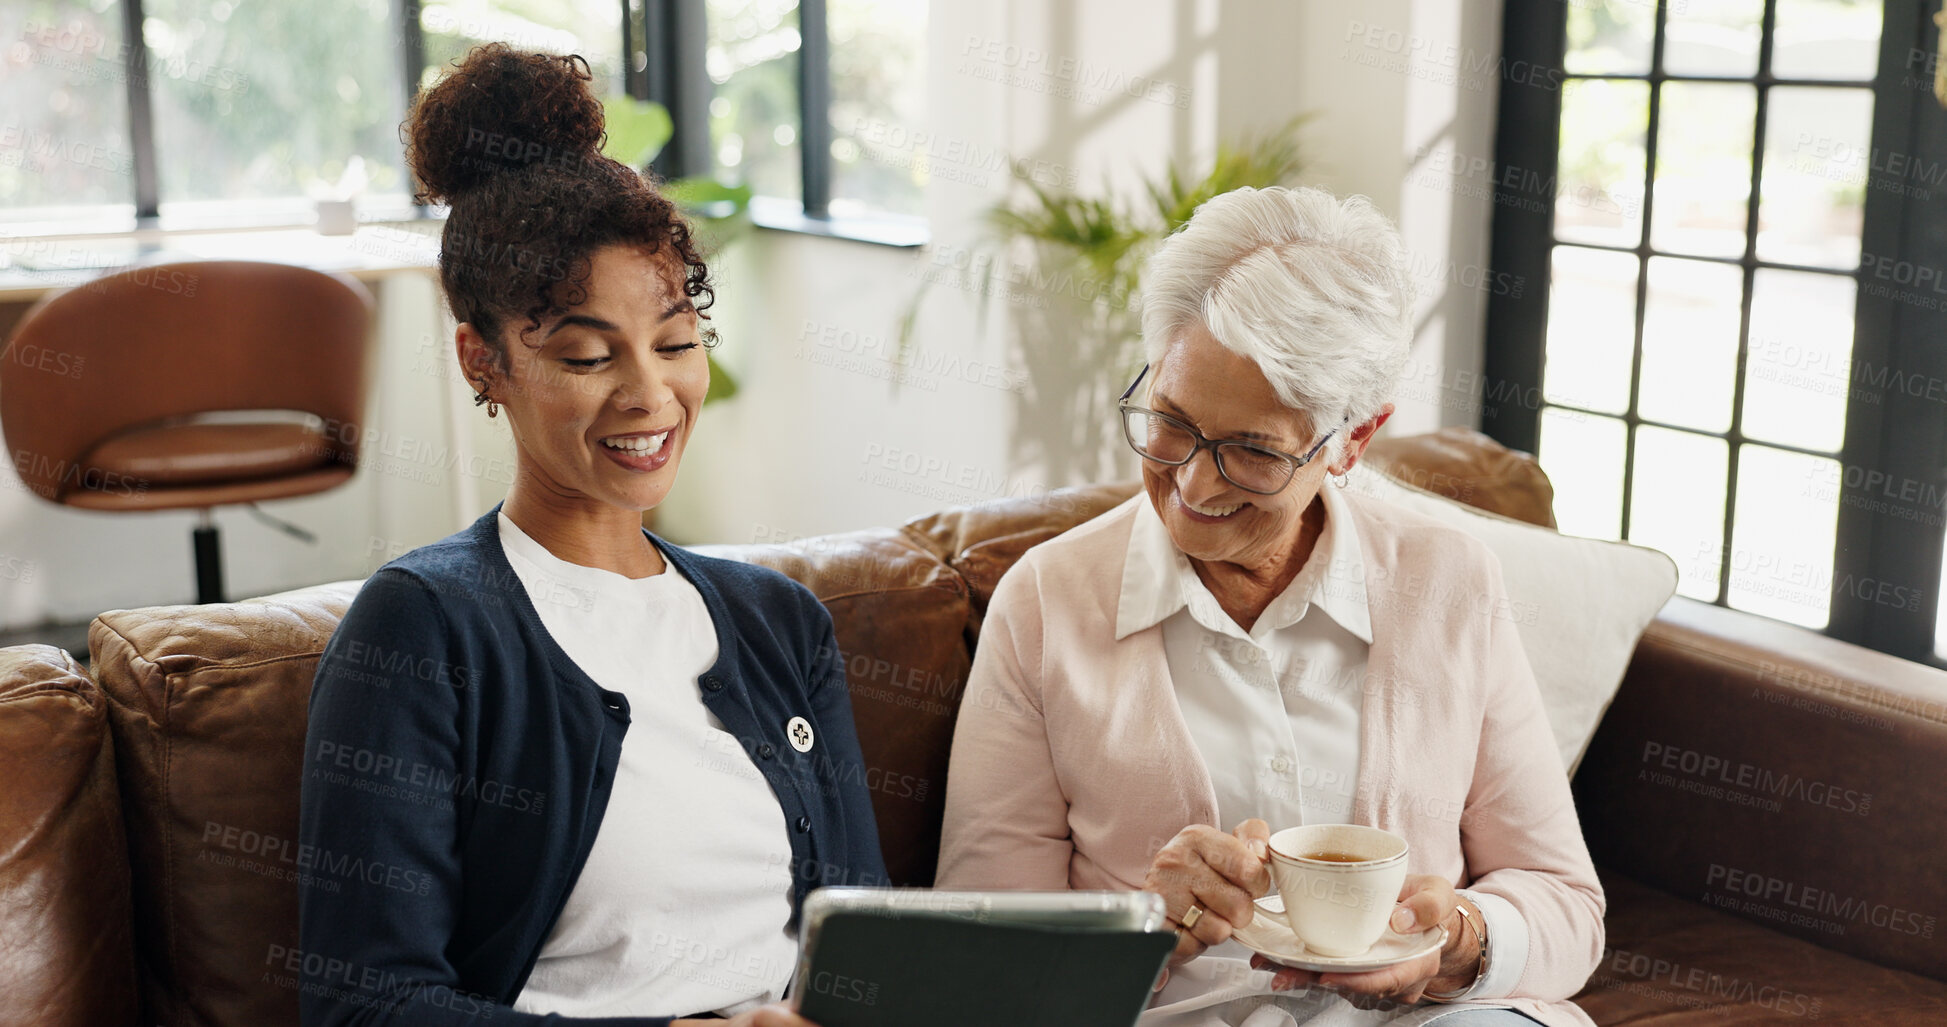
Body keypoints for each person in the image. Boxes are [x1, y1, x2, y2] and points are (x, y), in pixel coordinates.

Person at [298, 44, 883, 1027]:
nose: (649, 395)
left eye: (676, 342)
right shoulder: (426, 628)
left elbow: (871, 947)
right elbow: (362, 1005)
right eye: (584, 354)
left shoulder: (784, 625)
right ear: (482, 361)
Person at [937, 185, 1604, 1026]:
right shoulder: (1046, 600)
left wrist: (1458, 939)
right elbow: (978, 954)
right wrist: (1144, 931)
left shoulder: (1448, 580)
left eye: (1252, 451)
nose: (1191, 482)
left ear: (1353, 439)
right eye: (1171, 422)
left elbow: (1563, 901)